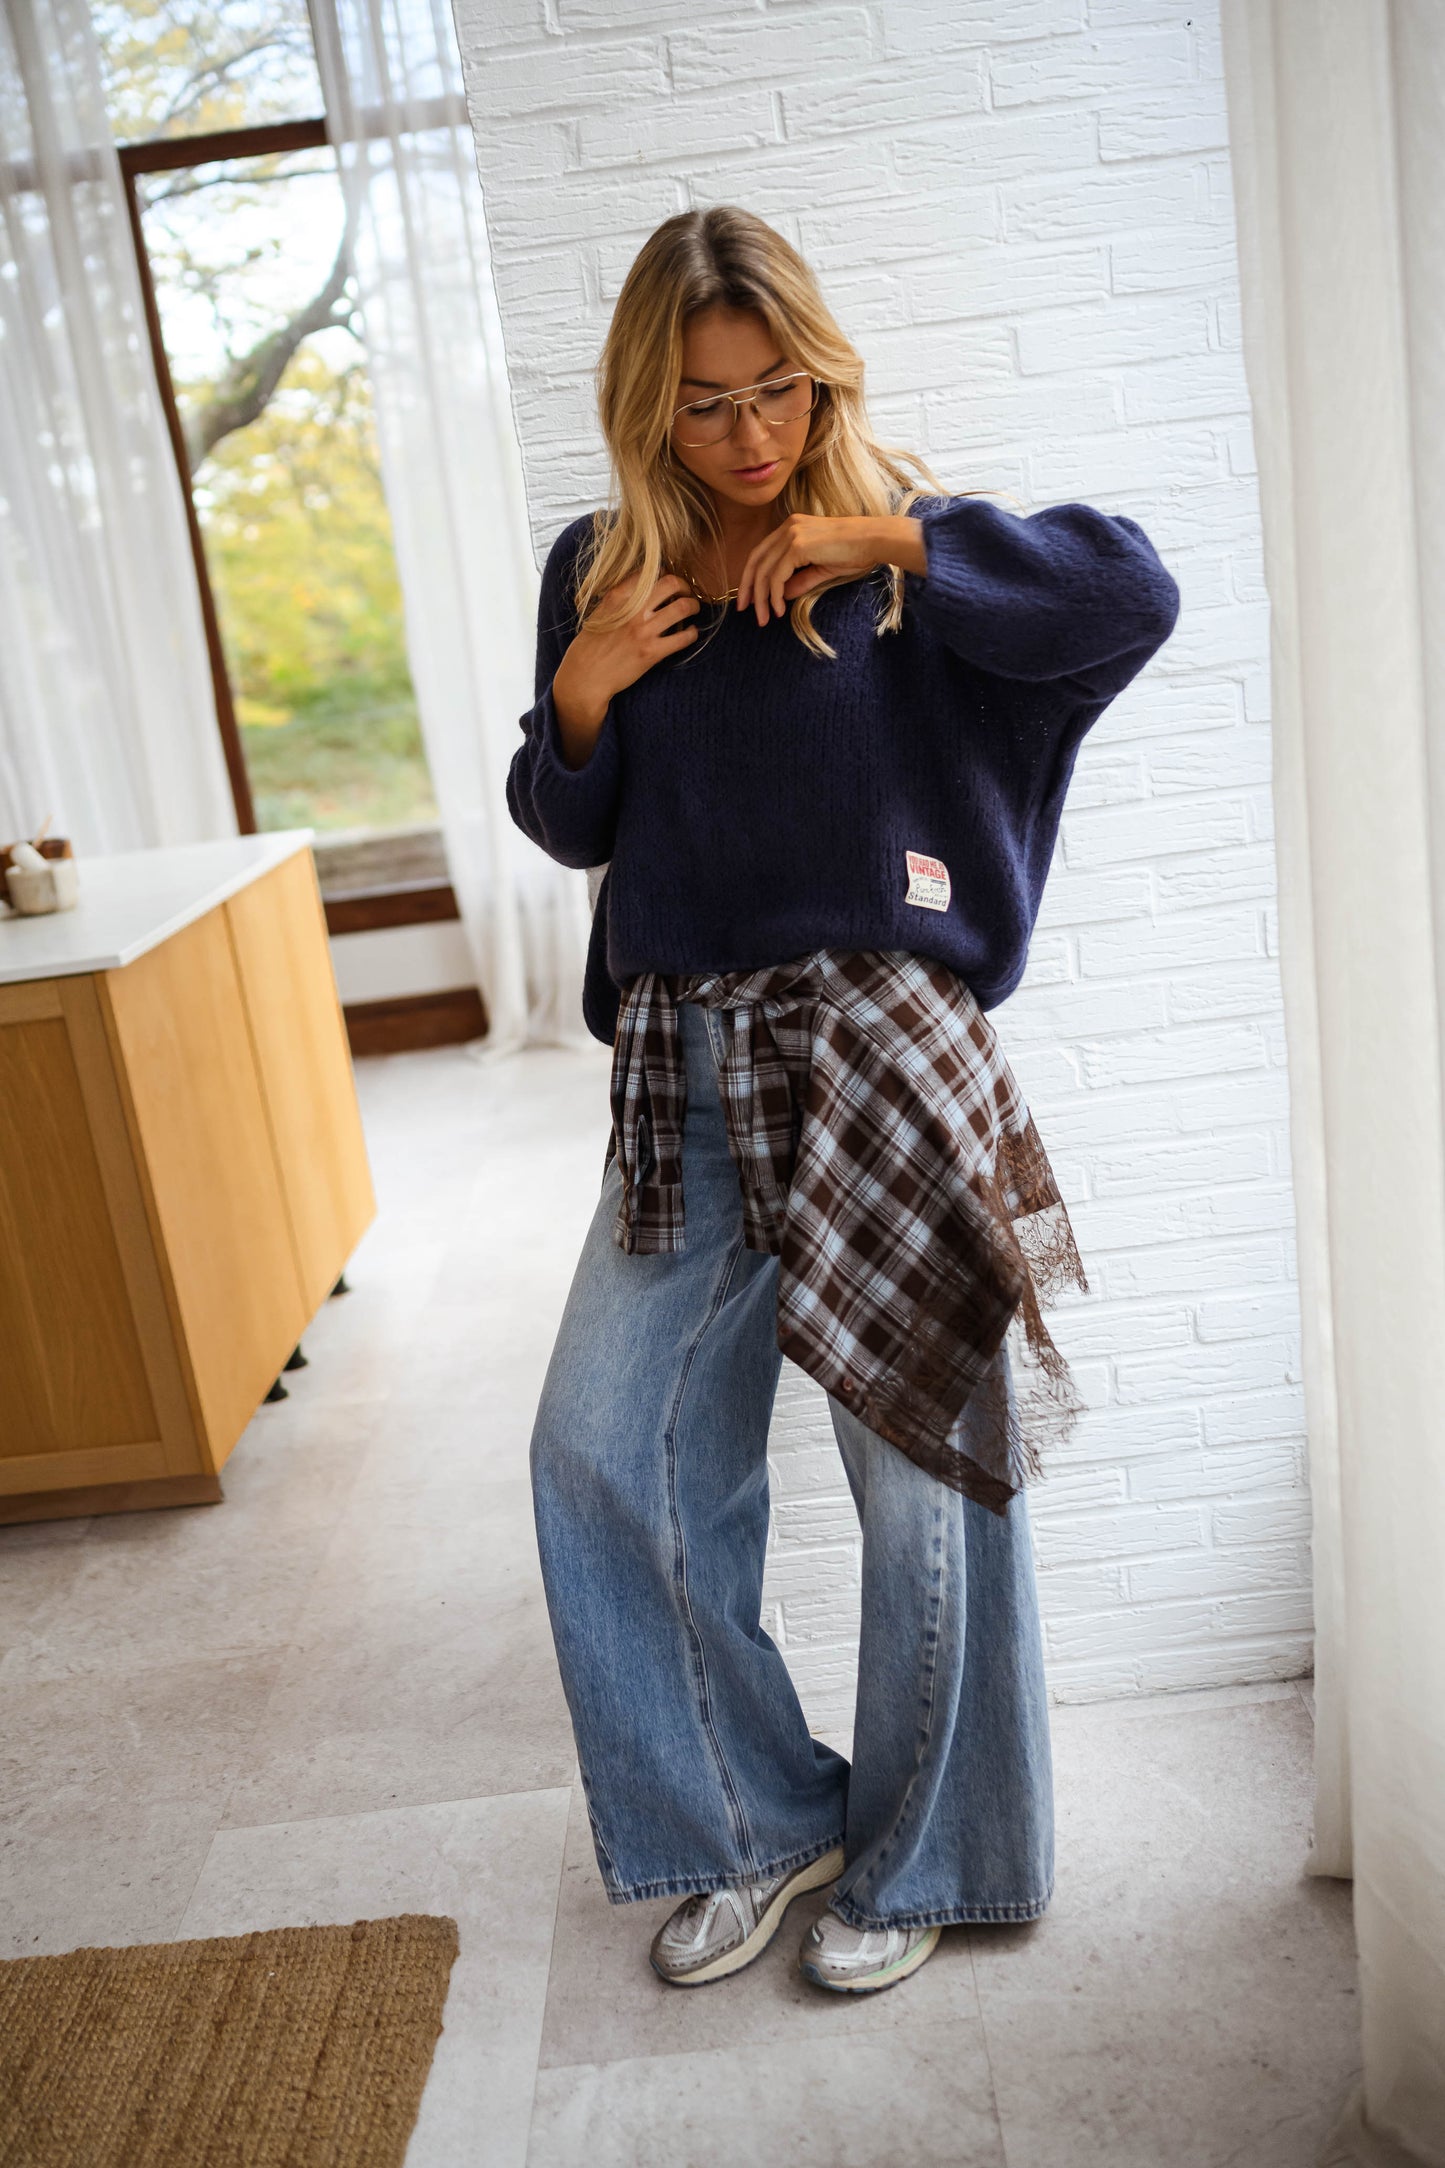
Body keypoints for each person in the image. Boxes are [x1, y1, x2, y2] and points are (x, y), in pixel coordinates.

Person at [506, 205, 1180, 1995]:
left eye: (775, 391)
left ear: (820, 373)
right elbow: (575, 820)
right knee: (602, 1448)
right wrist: (579, 693)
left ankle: (938, 1856)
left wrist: (885, 537)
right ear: (648, 407)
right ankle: (750, 1818)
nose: (745, 436)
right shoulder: (602, 561)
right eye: (704, 404)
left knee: (922, 1483)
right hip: (685, 1070)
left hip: (882, 1046)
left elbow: (1131, 594)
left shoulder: (905, 552)